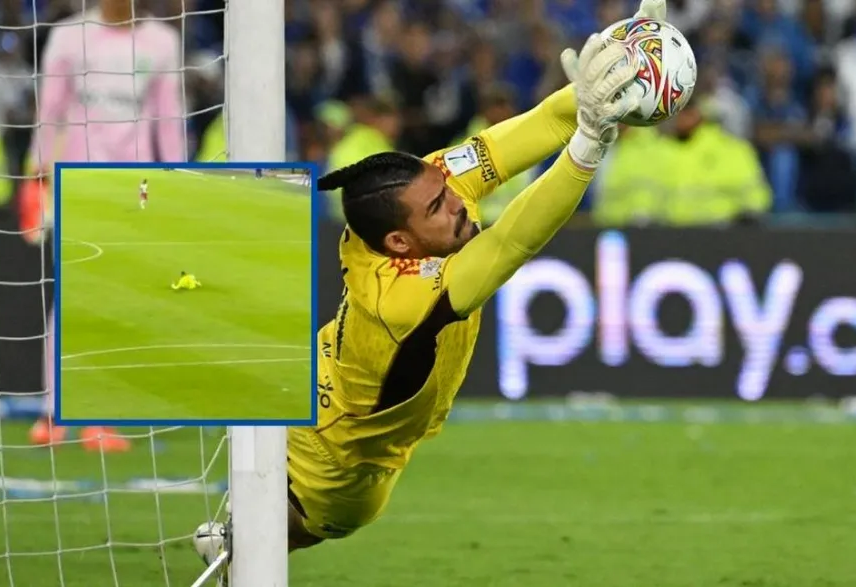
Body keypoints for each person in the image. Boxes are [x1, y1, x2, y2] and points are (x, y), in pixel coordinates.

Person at [195, 1, 666, 580]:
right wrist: (589, 148)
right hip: (332, 469)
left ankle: (232, 542)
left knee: (250, 542)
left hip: (310, 380)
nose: (458, 203)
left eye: (447, 190)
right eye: (439, 208)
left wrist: (624, 66)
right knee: (274, 542)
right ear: (400, 241)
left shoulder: (420, 189)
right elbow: (508, 244)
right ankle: (236, 546)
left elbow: (540, 124)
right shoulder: (403, 299)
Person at [26, 0, 186, 452]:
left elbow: (169, 118)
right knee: (71, 298)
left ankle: (101, 418)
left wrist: (179, 181)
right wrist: (38, 173)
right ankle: (54, 411)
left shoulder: (162, 41)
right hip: (75, 183)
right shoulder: (68, 36)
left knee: (117, 304)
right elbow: (49, 110)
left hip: (134, 189)